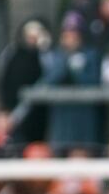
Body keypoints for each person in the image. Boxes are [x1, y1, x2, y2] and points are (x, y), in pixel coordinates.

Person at [42, 19, 103, 154]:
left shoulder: (91, 54)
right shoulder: (56, 55)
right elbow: (49, 81)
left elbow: (94, 82)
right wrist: (66, 63)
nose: (70, 39)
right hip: (62, 114)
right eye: (67, 35)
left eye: (74, 34)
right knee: (60, 152)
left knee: (84, 152)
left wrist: (78, 71)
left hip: (84, 113)